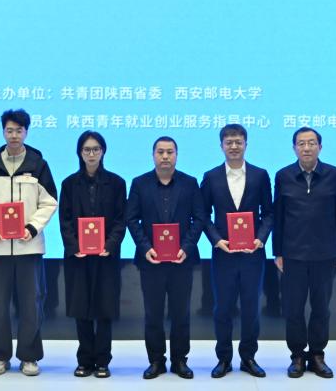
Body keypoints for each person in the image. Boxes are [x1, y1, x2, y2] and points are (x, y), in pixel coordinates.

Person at [0, 109, 58, 376]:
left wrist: (32, 227)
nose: (14, 135)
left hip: (29, 247)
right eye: (9, 130)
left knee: (32, 304)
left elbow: (49, 202)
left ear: (26, 132)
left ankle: (29, 357)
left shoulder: (38, 164)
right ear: (3, 132)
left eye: (19, 130)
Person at [126, 136, 206, 380]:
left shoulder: (190, 183)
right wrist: (145, 247)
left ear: (176, 155)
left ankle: (180, 360)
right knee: (153, 314)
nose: (165, 156)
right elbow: (131, 218)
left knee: (181, 314)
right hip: (151, 261)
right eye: (160, 152)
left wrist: (187, 247)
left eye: (170, 152)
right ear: (153, 155)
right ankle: (156, 360)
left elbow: (199, 218)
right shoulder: (140, 183)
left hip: (181, 260)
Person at [200, 123, 273, 379]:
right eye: (229, 142)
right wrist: (216, 240)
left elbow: (269, 213)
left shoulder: (260, 175)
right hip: (223, 254)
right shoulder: (211, 177)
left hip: (253, 254)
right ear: (221, 146)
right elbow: (202, 214)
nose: (234, 146)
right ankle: (223, 359)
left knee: (251, 308)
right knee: (222, 308)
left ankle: (248, 357)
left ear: (246, 144)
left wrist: (261, 238)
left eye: (238, 142)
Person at [273, 127, 336, 379]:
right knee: (293, 309)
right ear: (294, 148)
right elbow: (279, 215)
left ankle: (317, 355)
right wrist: (277, 251)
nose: (306, 148)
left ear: (320, 147)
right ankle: (296, 356)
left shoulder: (334, 174)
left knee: (321, 308)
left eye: (311, 143)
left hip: (325, 253)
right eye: (301, 143)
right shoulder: (283, 176)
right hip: (292, 254)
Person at [58, 131, 127, 378]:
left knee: (105, 308)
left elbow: (121, 219)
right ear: (79, 153)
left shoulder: (117, 183)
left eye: (96, 149)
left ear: (103, 152)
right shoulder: (68, 184)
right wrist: (74, 245)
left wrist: (110, 244)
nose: (91, 154)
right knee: (81, 308)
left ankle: (103, 361)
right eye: (86, 149)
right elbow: (65, 220)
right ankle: (85, 360)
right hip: (78, 257)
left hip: (106, 256)